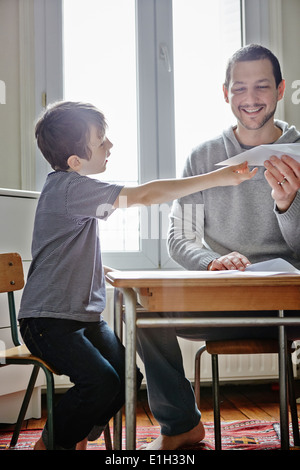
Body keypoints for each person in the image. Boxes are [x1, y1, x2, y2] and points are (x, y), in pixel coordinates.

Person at [17, 101, 254, 450]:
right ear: (75, 161)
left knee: (128, 378)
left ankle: (76, 433)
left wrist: (109, 273)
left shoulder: (75, 192)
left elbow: (66, 253)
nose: (109, 146)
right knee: (100, 383)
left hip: (82, 318)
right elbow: (145, 195)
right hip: (48, 321)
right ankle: (52, 444)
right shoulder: (70, 188)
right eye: (101, 141)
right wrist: (218, 178)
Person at [136, 44, 300, 450]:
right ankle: (181, 426)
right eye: (239, 88)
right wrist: (213, 261)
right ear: (225, 93)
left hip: (289, 298)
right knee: (145, 312)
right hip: (224, 294)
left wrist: (287, 206)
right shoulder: (204, 157)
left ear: (280, 90)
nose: (250, 98)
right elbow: (180, 238)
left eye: (262, 86)